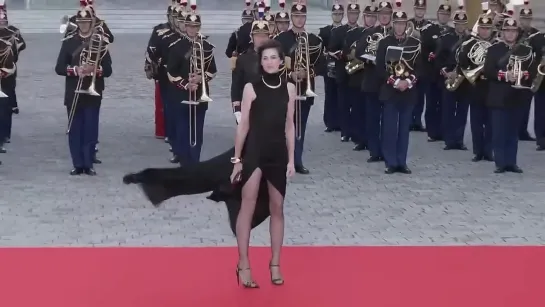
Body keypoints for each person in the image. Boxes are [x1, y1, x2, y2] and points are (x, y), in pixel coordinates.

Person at [123, 38, 295, 288]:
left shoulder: (289, 89)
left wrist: (291, 160)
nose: (269, 62)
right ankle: (244, 263)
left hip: (278, 154)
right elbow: (244, 126)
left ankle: (275, 263)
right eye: (265, 58)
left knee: (277, 208)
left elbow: (290, 125)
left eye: (273, 58)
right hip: (254, 152)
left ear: (281, 62)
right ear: (261, 61)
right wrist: (237, 160)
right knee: (246, 206)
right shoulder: (251, 88)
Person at [55, 6, 112, 175]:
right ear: (77, 23)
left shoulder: (101, 42)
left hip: (93, 92)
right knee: (75, 129)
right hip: (73, 91)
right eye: (81, 22)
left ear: (92, 22)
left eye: (87, 22)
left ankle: (88, 163)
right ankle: (77, 164)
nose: (84, 25)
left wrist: (95, 69)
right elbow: (59, 67)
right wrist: (75, 70)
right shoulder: (69, 42)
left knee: (90, 129)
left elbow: (108, 70)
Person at [483, 13, 536, 173]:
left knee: (513, 133)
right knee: (499, 132)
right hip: (499, 97)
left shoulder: (525, 49)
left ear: (517, 33)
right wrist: (505, 75)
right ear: (502, 32)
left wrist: (522, 75)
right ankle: (500, 162)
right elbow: (488, 71)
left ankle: (511, 162)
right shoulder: (494, 49)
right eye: (507, 30)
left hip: (517, 96)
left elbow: (532, 70)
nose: (510, 34)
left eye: (513, 31)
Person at [274, 1, 323, 175]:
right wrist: (290, 74)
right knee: (284, 127)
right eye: (296, 16)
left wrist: (308, 72)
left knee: (300, 128)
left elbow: (321, 64)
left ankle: (297, 161)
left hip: (305, 89)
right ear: (291, 17)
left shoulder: (314, 39)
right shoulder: (280, 40)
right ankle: (282, 161)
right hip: (285, 90)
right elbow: (275, 64)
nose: (299, 19)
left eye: (302, 16)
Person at [375, 0, 422, 174]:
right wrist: (394, 81)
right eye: (397, 24)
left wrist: (408, 82)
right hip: (390, 91)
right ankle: (390, 162)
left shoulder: (414, 43)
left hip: (408, 92)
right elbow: (379, 67)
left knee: (404, 130)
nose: (400, 27)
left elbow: (419, 66)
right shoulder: (385, 42)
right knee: (389, 129)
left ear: (405, 25)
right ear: (393, 24)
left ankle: (402, 162)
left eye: (403, 24)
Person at [167, 3, 217, 166]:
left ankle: (194, 164)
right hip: (181, 95)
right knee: (182, 132)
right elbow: (171, 73)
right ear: (184, 26)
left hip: (200, 95)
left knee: (197, 132)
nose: (192, 30)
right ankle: (184, 164)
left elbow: (213, 71)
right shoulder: (176, 47)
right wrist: (186, 84)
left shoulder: (206, 46)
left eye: (195, 27)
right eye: (189, 26)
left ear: (199, 27)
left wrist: (201, 79)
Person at [355, 0, 393, 163]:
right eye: (382, 14)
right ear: (378, 16)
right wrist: (374, 59)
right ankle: (374, 151)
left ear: (390, 16)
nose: (384, 17)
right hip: (371, 81)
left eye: (387, 14)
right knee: (372, 119)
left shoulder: (395, 34)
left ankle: (387, 150)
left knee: (388, 120)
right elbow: (359, 52)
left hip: (390, 83)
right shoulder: (370, 33)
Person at [458, 8, 495, 162]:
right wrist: (474, 72)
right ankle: (477, 151)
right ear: (478, 29)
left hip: (492, 88)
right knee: (476, 122)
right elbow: (463, 63)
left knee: (491, 122)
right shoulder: (468, 44)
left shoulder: (496, 46)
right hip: (475, 86)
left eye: (488, 29)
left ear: (491, 30)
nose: (485, 32)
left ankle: (488, 151)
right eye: (483, 28)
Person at [231, 3, 273, 124]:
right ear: (251, 37)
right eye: (257, 35)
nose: (261, 39)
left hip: (271, 108)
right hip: (248, 107)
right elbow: (236, 87)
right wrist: (237, 110)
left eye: (264, 35)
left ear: (269, 37)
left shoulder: (276, 58)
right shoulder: (242, 59)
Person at [437, 3, 470, 151]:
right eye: (458, 24)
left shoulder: (470, 40)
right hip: (449, 77)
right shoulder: (446, 39)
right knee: (448, 111)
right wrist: (446, 72)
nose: (461, 26)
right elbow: (439, 59)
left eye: (463, 24)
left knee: (462, 111)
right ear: (454, 23)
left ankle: (459, 140)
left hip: (465, 79)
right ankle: (449, 140)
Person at [421, 1, 454, 142]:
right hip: (431, 73)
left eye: (447, 14)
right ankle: (432, 132)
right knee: (432, 104)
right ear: (437, 15)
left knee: (445, 104)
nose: (444, 17)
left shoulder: (452, 32)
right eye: (442, 14)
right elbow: (422, 49)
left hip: (446, 75)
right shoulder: (429, 29)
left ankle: (444, 130)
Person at [0, 0, 25, 152]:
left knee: (6, 105)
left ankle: (4, 135)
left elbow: (21, 46)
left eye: (3, 17)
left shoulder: (13, 31)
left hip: (8, 73)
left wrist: (11, 57)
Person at [318, 1, 343, 133]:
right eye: (335, 14)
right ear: (332, 15)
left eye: (339, 14)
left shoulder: (346, 31)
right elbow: (319, 50)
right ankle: (329, 122)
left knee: (340, 95)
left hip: (341, 67)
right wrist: (327, 53)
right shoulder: (324, 31)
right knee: (329, 95)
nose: (337, 16)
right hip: (328, 67)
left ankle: (339, 122)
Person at [408, 0, 431, 131]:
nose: (420, 11)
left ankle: (417, 120)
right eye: (418, 9)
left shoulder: (429, 25)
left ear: (425, 10)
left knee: (421, 95)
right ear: (415, 9)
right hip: (409, 64)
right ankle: (410, 120)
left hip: (423, 65)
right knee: (411, 93)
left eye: (422, 9)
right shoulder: (408, 23)